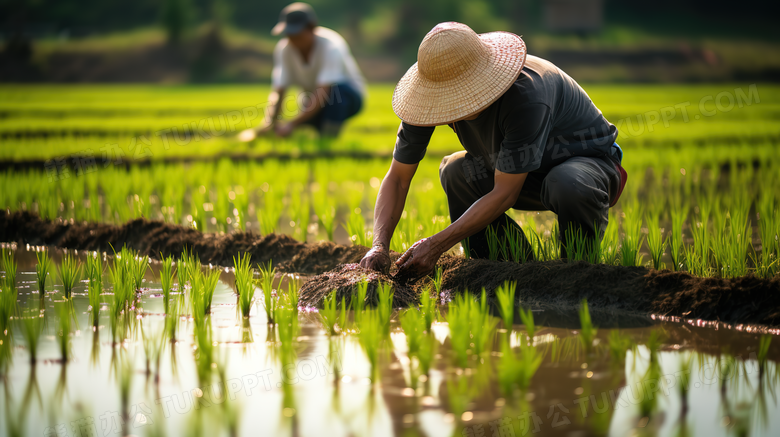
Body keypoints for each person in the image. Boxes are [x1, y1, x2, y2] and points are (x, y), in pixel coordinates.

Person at [359, 22, 627, 280]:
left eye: (457, 93)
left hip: (587, 166)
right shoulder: (424, 103)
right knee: (456, 171)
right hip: (513, 168)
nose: (449, 105)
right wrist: (379, 246)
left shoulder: (527, 95)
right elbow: (397, 178)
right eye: (442, 95)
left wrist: (436, 245)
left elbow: (505, 192)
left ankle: (575, 274)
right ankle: (500, 270)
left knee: (566, 182)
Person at [238, 2, 366, 141]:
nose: (293, 40)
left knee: (336, 95)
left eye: (297, 34)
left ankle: (329, 138)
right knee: (312, 111)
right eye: (289, 34)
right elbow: (279, 90)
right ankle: (319, 133)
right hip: (313, 99)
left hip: (347, 96)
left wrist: (292, 124)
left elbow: (324, 91)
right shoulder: (284, 50)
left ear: (311, 28)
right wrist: (270, 123)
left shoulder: (330, 45)